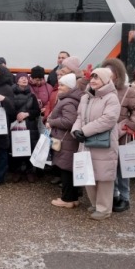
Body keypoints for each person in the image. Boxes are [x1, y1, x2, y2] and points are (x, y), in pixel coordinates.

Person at [72, 68, 121, 221]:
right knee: (88, 173)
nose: (93, 81)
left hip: (104, 143)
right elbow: (80, 116)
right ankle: (95, 204)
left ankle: (104, 208)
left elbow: (108, 119)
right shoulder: (85, 97)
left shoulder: (111, 98)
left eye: (97, 78)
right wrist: (76, 130)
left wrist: (84, 131)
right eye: (92, 77)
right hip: (86, 141)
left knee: (104, 176)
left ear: (106, 80)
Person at [101, 58, 135, 213]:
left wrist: (129, 124)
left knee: (121, 168)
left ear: (117, 74)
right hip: (103, 135)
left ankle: (124, 197)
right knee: (107, 167)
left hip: (121, 136)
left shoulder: (127, 91)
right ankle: (111, 195)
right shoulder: (99, 89)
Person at [47, 73, 82, 208]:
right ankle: (73, 198)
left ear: (69, 87)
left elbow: (69, 121)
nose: (59, 87)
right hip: (68, 140)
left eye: (62, 85)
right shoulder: (71, 99)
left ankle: (67, 199)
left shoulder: (68, 101)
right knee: (69, 169)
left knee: (66, 169)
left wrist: (52, 122)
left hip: (66, 140)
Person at [11, 72, 41, 182]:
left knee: (30, 148)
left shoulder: (32, 95)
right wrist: (16, 115)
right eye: (21, 78)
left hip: (30, 125)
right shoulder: (11, 94)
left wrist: (27, 114)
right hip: (16, 124)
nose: (24, 79)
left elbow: (37, 111)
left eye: (26, 78)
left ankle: (30, 171)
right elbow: (9, 109)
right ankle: (17, 171)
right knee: (17, 147)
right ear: (17, 80)